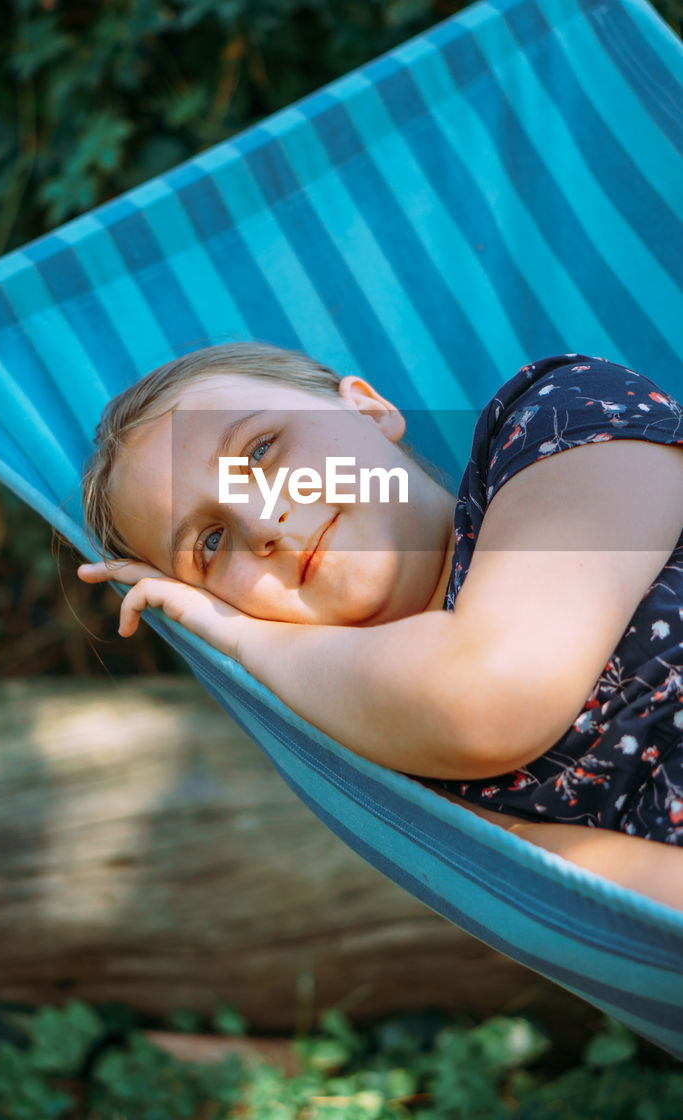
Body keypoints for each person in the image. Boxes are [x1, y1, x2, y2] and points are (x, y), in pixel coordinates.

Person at [78, 343, 683, 909]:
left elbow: (490, 694)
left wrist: (246, 637)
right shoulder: (377, 755)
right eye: (210, 544)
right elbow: (604, 905)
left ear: (368, 410)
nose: (261, 521)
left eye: (261, 450)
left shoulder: (559, 417)